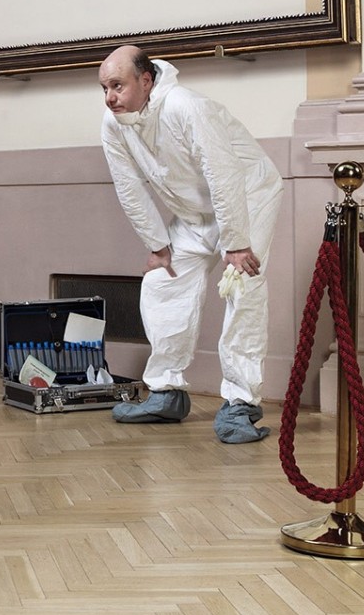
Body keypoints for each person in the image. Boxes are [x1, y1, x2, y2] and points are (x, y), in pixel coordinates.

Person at [98, 45, 283, 444]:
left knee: (242, 289)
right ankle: (166, 392)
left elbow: (223, 173)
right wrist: (157, 244)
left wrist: (236, 242)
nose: (110, 97)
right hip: (194, 212)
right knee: (163, 284)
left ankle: (241, 404)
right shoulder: (113, 124)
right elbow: (129, 187)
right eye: (104, 88)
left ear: (145, 80)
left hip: (247, 196)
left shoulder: (187, 106)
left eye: (117, 85)